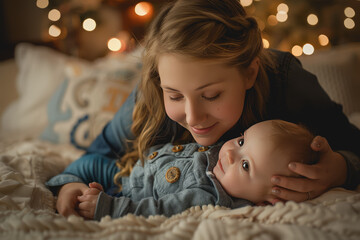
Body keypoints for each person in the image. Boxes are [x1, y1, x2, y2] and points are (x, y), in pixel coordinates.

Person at [46, 0, 360, 218]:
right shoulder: (151, 93)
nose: (193, 118)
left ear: (249, 73)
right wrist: (70, 183)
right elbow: (99, 153)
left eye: (211, 95)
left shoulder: (284, 78)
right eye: (175, 95)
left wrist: (342, 168)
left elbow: (352, 143)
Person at [73, 120, 318, 220]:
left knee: (86, 168)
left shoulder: (208, 196)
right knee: (83, 166)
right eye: (242, 141)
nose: (231, 152)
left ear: (267, 201)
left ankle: (83, 190)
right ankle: (70, 181)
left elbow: (157, 210)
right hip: (134, 166)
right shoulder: (224, 158)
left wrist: (107, 206)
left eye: (245, 165)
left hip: (128, 189)